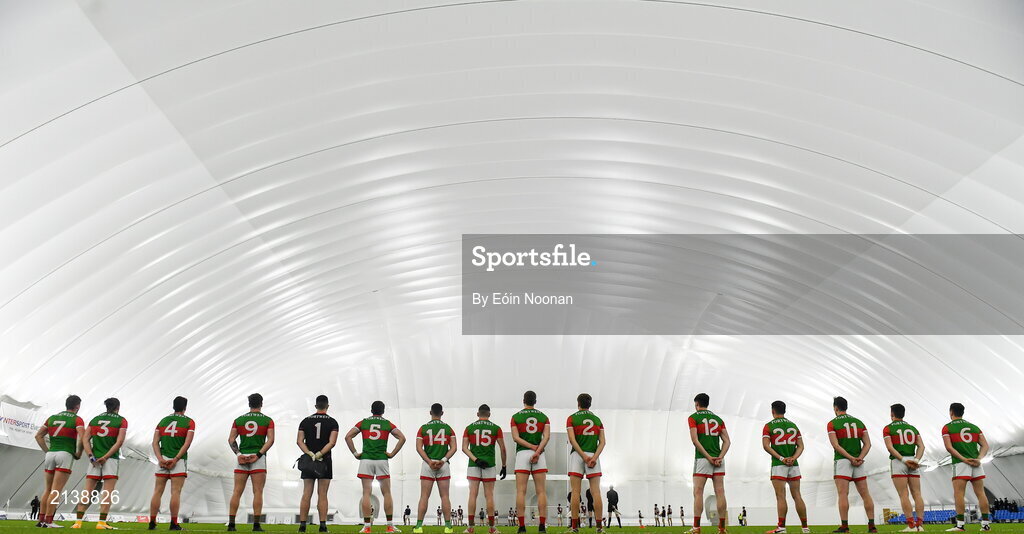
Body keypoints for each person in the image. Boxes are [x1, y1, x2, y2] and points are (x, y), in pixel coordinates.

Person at [345, 400, 407, 534]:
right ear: (383, 411)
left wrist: (355, 453)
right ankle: (389, 526)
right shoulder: (387, 424)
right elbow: (402, 438)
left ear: (371, 410)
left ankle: (367, 527)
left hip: (366, 459)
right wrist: (392, 454)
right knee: (387, 493)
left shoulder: (363, 423)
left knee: (366, 493)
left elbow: (348, 436)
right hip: (381, 460)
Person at [72, 397, 127, 530]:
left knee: (87, 491)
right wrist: (106, 457)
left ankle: (78, 523)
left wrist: (91, 456)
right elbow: (119, 442)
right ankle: (101, 523)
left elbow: (85, 439)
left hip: (94, 460)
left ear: (106, 407)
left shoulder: (95, 420)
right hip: (111, 459)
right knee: (107, 492)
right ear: (118, 407)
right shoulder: (121, 421)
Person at [34, 394, 85, 528]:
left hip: (50, 454)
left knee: (47, 489)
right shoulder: (77, 419)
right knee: (56, 491)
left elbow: (38, 436)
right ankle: (49, 521)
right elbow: (82, 437)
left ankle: (41, 520)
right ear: (77, 406)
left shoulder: (52, 418)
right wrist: (79, 453)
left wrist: (47, 451)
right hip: (65, 454)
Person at [227, 393, 275, 532]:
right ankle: (256, 526)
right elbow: (271, 440)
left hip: (242, 458)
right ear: (261, 403)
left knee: (236, 491)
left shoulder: (238, 420)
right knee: (258, 492)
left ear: (249, 404)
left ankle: (231, 525)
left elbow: (231, 439)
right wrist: (258, 455)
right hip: (258, 458)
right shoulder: (268, 420)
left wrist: (239, 454)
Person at [827, 396, 875, 534]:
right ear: (846, 407)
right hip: (858, 462)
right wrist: (859, 458)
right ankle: (872, 526)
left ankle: (844, 526)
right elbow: (868, 444)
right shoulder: (859, 422)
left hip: (843, 461)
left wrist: (850, 458)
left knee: (843, 494)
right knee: (865, 494)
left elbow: (836, 445)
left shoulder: (832, 423)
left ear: (835, 408)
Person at [942, 402, 991, 532]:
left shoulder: (947, 428)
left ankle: (960, 525)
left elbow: (949, 447)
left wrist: (963, 459)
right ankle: (985, 524)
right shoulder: (974, 427)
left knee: (959, 493)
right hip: (976, 463)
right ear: (962, 412)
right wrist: (979, 459)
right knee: (981, 493)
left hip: (960, 464)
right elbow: (985, 446)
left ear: (951, 412)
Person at [762, 401, 809, 534]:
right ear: (785, 410)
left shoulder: (769, 426)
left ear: (773, 411)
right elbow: (801, 446)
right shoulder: (793, 425)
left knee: (780, 496)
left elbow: (766, 446)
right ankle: (805, 528)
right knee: (797, 495)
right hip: (793, 464)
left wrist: (782, 458)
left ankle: (781, 528)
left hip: (779, 464)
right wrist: (793, 458)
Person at [150, 396, 195, 531]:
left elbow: (154, 443)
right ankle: (173, 524)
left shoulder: (163, 421)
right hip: (178, 461)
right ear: (185, 407)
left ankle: (152, 522)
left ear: (173, 406)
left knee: (157, 491)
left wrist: (160, 459)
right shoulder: (189, 422)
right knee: (175, 492)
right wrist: (175, 459)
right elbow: (187, 443)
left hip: (163, 459)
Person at [688, 393, 730, 534]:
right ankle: (722, 528)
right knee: (720, 492)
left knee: (698, 492)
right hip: (718, 459)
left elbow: (695, 440)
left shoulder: (693, 418)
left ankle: (696, 528)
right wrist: (720, 457)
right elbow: (727, 441)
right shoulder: (718, 419)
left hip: (703, 459)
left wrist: (708, 457)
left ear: (697, 404)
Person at [297, 395, 339, 533]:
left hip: (308, 461)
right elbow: (332, 442)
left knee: (306, 493)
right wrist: (320, 454)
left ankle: (302, 526)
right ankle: (323, 526)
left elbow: (299, 441)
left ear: (315, 406)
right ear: (327, 406)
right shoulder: (333, 422)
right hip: (325, 461)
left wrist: (310, 454)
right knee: (323, 494)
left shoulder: (305, 421)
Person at [463, 404, 508, 534]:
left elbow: (464, 448)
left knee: (472, 494)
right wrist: (504, 466)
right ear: (489, 414)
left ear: (478, 414)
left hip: (473, 464)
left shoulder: (469, 428)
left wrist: (476, 459)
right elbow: (503, 449)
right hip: (489, 464)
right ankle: (492, 528)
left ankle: (470, 527)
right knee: (489, 495)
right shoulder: (496, 428)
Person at [413, 404, 457, 534]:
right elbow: (454, 448)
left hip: (428, 465)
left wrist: (429, 461)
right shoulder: (448, 428)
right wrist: (443, 460)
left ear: (430, 412)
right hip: (443, 465)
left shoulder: (423, 428)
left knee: (424, 496)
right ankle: (448, 527)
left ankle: (419, 527)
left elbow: (419, 448)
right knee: (445, 496)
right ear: (442, 413)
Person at [511, 390, 551, 533]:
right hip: (539, 454)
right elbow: (546, 437)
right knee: (541, 491)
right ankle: (542, 526)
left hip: (522, 453)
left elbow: (516, 438)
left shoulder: (515, 417)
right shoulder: (544, 417)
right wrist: (537, 450)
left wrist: (530, 447)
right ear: (535, 401)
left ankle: (522, 526)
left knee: (521, 491)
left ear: (524, 400)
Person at [882, 403, 925, 533]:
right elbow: (921, 446)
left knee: (903, 494)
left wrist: (903, 460)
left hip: (899, 462)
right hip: (913, 461)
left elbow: (890, 448)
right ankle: (920, 525)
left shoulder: (888, 428)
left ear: (892, 414)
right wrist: (916, 460)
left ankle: (911, 526)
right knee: (917, 494)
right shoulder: (912, 428)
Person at [568, 394, 605, 534]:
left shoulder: (571, 418)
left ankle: (574, 527)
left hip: (577, 455)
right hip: (593, 455)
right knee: (596, 492)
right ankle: (599, 527)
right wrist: (593, 457)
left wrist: (583, 456)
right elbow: (603, 442)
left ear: (578, 403)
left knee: (575, 492)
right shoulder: (597, 420)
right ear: (590, 404)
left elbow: (572, 440)